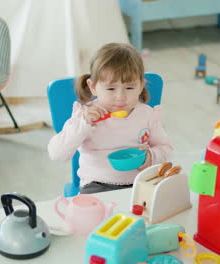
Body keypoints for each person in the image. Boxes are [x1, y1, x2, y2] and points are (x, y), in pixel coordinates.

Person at [48, 43, 173, 194]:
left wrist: (151, 157)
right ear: (93, 87)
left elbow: (166, 149)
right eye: (111, 88)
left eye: (129, 88)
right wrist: (82, 125)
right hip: (97, 184)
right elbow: (57, 154)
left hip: (140, 182)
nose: (120, 97)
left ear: (141, 86)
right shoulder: (85, 115)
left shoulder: (147, 114)